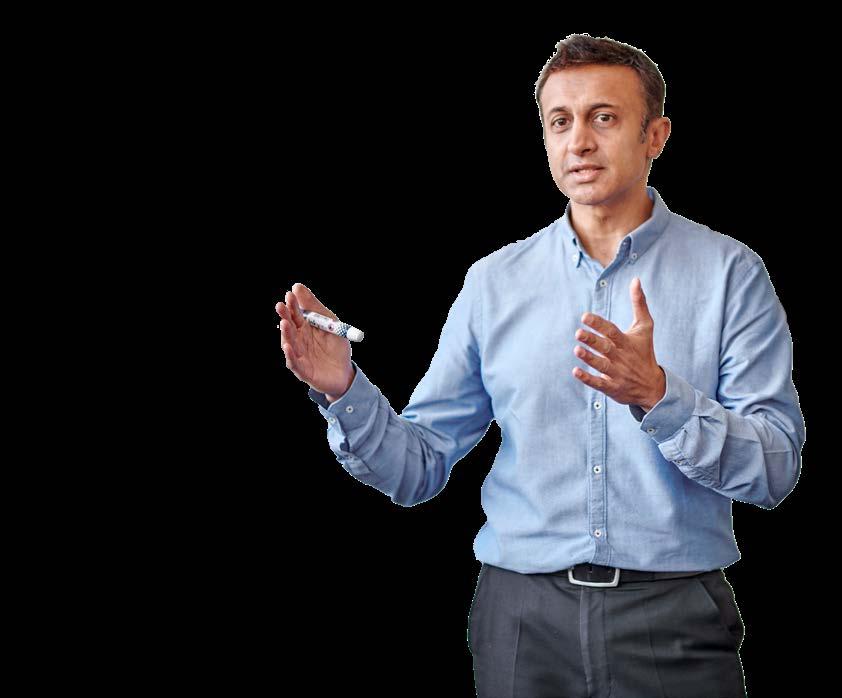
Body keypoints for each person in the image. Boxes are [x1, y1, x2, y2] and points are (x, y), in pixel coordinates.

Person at [275, 33, 804, 698]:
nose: (579, 141)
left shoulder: (731, 274)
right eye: (560, 121)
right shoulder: (494, 282)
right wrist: (343, 389)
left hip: (673, 617)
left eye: (604, 117)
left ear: (656, 136)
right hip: (522, 622)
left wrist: (658, 395)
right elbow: (418, 468)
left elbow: (775, 470)